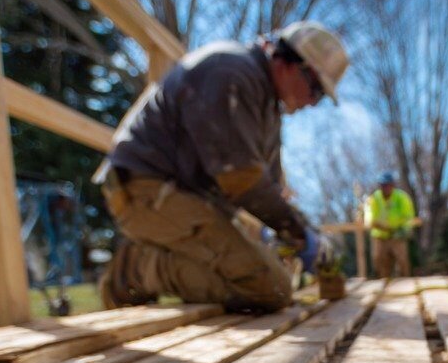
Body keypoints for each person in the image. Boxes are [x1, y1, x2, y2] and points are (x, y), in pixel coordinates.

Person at [97, 21, 348, 313]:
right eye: (316, 90)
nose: (313, 103)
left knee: (270, 275)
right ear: (292, 64)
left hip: (188, 201)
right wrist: (301, 235)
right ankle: (137, 269)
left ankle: (158, 262)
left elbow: (270, 192)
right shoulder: (231, 73)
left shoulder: (266, 110)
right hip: (146, 193)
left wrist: (298, 233)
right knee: (270, 287)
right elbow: (243, 182)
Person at [364, 171, 416, 279]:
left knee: (402, 261)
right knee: (379, 261)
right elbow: (370, 219)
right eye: (383, 185)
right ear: (380, 186)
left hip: (397, 234)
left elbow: (408, 216)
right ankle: (382, 283)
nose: (386, 188)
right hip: (380, 235)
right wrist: (380, 226)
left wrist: (403, 230)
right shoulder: (374, 199)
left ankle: (405, 282)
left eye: (388, 185)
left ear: (393, 185)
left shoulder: (401, 197)